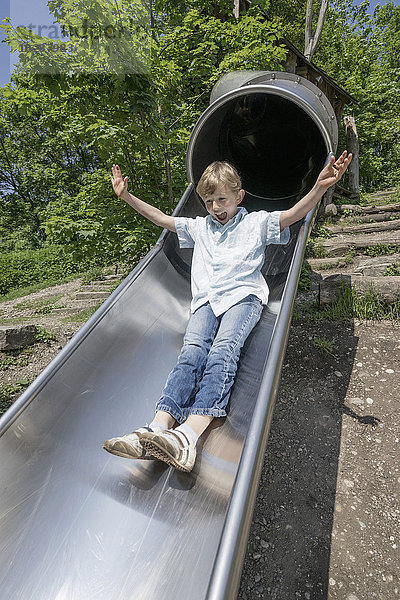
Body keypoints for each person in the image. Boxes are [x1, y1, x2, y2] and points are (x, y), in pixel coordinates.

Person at [103, 152, 352, 472]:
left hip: (243, 299)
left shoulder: (255, 223)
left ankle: (188, 436)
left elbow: (291, 214)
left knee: (222, 351)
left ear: (239, 196)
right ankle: (156, 428)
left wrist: (318, 189)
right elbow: (163, 219)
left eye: (222, 199)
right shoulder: (200, 228)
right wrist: (126, 196)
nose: (216, 208)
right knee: (191, 353)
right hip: (206, 301)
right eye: (208, 202)